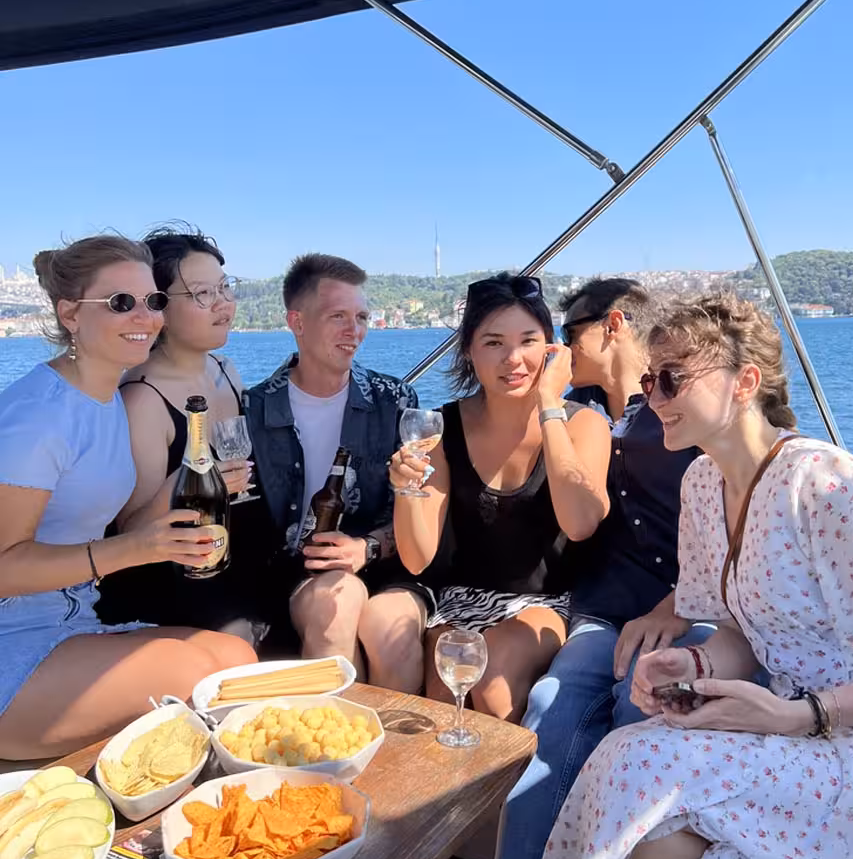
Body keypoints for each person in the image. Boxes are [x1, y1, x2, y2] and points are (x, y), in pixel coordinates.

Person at [534, 292, 853, 859]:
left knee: (633, 760)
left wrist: (800, 715)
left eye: (672, 377)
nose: (654, 395)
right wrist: (691, 659)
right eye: (648, 379)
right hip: (793, 731)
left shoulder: (823, 483)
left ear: (745, 383)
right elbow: (740, 632)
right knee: (632, 761)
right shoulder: (704, 484)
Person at [478, 277, 710, 859]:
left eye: (563, 334)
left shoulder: (686, 407)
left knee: (640, 719)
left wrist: (677, 602)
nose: (551, 348)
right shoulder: (584, 417)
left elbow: (741, 525)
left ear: (610, 325)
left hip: (689, 616)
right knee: (547, 719)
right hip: (603, 616)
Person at [0, 235, 256, 760]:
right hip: (14, 642)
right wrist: (140, 548)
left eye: (153, 301)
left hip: (75, 617)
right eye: (121, 303)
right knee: (212, 680)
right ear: (70, 313)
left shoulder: (107, 395)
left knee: (237, 654)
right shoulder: (38, 418)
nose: (145, 316)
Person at [389, 273, 611, 723]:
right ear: (469, 351)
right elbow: (417, 558)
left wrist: (550, 404)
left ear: (552, 349)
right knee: (443, 690)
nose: (514, 359)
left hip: (549, 601)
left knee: (492, 679)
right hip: (460, 600)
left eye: (528, 341)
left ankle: (510, 792)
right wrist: (406, 489)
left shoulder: (583, 424)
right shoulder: (444, 426)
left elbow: (581, 521)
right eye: (493, 343)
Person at [245, 253, 427, 691]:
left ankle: (398, 756)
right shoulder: (253, 410)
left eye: (362, 316)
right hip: (295, 573)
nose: (355, 331)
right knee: (338, 601)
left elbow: (416, 506)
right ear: (297, 321)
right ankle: (337, 751)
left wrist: (366, 548)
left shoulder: (395, 400)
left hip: (384, 563)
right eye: (338, 316)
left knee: (391, 631)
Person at [95, 225, 267, 642]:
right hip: (179, 579)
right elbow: (132, 531)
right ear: (161, 310)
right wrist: (190, 483)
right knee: (239, 631)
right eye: (202, 294)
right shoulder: (143, 399)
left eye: (225, 288)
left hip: (240, 553)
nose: (223, 304)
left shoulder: (226, 369)